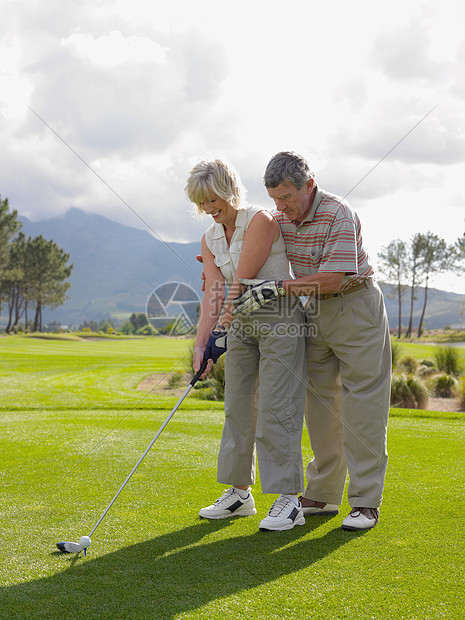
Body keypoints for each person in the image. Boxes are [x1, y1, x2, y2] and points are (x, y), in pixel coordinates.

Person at [233, 151, 391, 531]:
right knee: (320, 407)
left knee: (363, 407)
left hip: (356, 306)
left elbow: (334, 278)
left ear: (310, 184)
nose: (280, 207)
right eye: (274, 199)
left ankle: (366, 502)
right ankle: (320, 494)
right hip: (313, 312)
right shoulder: (280, 218)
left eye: (286, 197)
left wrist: (276, 288)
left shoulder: (338, 212)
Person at [185, 159, 308, 531]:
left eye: (212, 199)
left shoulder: (261, 220)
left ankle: (289, 500)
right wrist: (200, 346)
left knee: (277, 405)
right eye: (201, 202)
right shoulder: (209, 238)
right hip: (240, 325)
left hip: (279, 319)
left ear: (229, 188)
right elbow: (214, 292)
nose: (208, 208)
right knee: (237, 406)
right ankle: (240, 494)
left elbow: (241, 281)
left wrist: (222, 325)